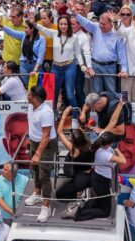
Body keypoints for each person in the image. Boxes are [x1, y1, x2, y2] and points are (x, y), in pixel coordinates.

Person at [70, 1, 129, 94]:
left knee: (111, 93)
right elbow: (84, 22)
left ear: (111, 24)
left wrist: (124, 69)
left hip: (110, 67)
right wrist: (74, 12)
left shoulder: (117, 34)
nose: (101, 26)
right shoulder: (96, 27)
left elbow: (122, 54)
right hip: (96, 66)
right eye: (100, 23)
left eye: (104, 24)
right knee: (96, 93)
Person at [69, 131, 126, 221]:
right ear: (109, 144)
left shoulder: (98, 146)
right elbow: (123, 161)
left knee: (100, 200)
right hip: (101, 181)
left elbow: (103, 133)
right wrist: (118, 150)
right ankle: (78, 213)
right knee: (105, 212)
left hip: (97, 178)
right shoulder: (105, 154)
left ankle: (79, 208)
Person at [23, 86, 56, 223]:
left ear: (34, 97)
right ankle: (37, 193)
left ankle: (45, 206)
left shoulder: (46, 112)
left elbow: (46, 136)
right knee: (35, 169)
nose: (27, 95)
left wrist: (38, 154)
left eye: (29, 94)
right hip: (35, 142)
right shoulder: (32, 106)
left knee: (44, 175)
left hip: (46, 145)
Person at [36, 15, 80, 111]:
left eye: (65, 24)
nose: (63, 26)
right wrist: (33, 22)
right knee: (54, 93)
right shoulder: (54, 33)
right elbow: (42, 29)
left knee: (70, 93)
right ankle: (54, 113)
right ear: (58, 25)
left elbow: (78, 53)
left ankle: (75, 116)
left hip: (69, 67)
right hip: (56, 67)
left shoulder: (74, 37)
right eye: (61, 24)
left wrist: (83, 65)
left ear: (68, 25)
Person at [55, 107, 93, 207]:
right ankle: (81, 192)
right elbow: (80, 131)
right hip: (90, 174)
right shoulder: (89, 144)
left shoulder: (74, 149)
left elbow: (59, 132)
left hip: (80, 178)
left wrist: (64, 115)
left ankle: (78, 196)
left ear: (74, 141)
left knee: (59, 195)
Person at [0, 19, 45, 87]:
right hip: (24, 65)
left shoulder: (41, 39)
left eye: (26, 28)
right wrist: (0, 25)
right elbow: (11, 32)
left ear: (32, 29)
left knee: (38, 86)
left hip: (36, 65)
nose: (24, 30)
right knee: (26, 85)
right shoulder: (23, 35)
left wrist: (35, 70)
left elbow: (41, 57)